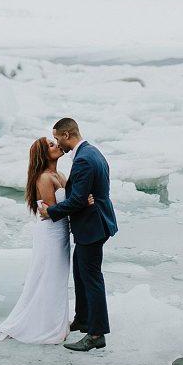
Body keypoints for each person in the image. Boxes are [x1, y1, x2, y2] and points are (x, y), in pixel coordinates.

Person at [0, 136, 94, 344]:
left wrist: (80, 202)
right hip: (50, 234)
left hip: (61, 233)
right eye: (51, 145)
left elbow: (67, 204)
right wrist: (81, 204)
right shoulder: (44, 178)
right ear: (43, 154)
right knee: (49, 277)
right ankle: (46, 327)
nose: (57, 145)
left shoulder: (60, 174)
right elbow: (52, 212)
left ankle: (56, 323)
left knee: (58, 278)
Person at [39, 118, 118, 352]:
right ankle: (83, 319)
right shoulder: (92, 151)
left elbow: (75, 200)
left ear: (66, 135)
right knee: (80, 273)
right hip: (96, 220)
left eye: (56, 138)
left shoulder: (83, 158)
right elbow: (83, 196)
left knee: (91, 278)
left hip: (93, 225)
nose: (56, 143)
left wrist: (50, 211)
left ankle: (96, 334)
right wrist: (84, 200)